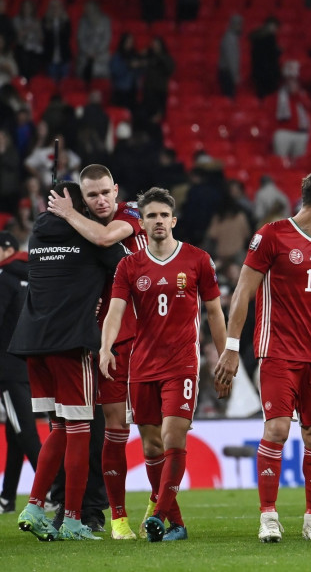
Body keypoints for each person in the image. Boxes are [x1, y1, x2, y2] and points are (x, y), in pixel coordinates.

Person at [213, 172, 311, 543]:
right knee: (277, 430)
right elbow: (244, 293)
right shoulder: (272, 234)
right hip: (278, 351)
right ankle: (268, 516)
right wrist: (231, 348)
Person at [99, 187, 226, 542]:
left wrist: (226, 353)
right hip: (141, 366)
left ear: (173, 220)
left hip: (182, 364)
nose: (157, 221)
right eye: (150, 215)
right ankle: (176, 523)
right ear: (142, 222)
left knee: (173, 436)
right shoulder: (129, 265)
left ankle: (157, 514)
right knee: (152, 446)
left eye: (162, 215)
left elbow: (215, 311)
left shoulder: (198, 259)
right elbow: (115, 311)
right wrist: (106, 347)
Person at [11, 181, 127, 541]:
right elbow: (123, 259)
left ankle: (33, 505)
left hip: (33, 345)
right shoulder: (90, 239)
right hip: (69, 343)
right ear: (76, 207)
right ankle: (73, 519)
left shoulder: (36, 236)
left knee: (58, 429)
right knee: (79, 432)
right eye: (89, 201)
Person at [46, 164, 148, 540]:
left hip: (122, 341)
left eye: (106, 192)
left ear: (116, 190)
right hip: (82, 338)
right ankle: (67, 506)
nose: (102, 200)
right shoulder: (82, 227)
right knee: (73, 429)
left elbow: (107, 240)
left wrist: (67, 211)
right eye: (93, 195)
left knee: (101, 431)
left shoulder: (130, 215)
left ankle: (96, 511)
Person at [0, 232, 40, 515]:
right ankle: (7, 497)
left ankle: (54, 491)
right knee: (16, 435)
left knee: (24, 432)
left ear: (7, 249)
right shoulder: (34, 275)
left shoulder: (4, 278)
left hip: (8, 367)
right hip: (33, 364)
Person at [272, 61, 311, 159]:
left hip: (300, 132)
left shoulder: (302, 96)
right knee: (279, 137)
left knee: (304, 139)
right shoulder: (278, 96)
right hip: (283, 131)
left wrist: (296, 95)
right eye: (289, 79)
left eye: (294, 79)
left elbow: (309, 107)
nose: (291, 82)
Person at [217, 15, 242, 98]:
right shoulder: (230, 38)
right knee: (229, 98)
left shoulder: (231, 37)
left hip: (227, 72)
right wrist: (234, 75)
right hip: (227, 73)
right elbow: (231, 59)